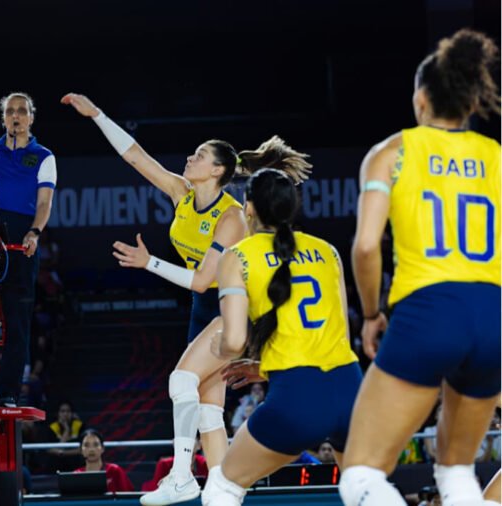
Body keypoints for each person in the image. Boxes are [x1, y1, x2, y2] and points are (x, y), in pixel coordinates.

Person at [62, 91, 313, 506]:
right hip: (204, 311)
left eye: (199, 156)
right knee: (209, 411)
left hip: (234, 307)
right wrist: (97, 115)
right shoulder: (181, 193)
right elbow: (136, 157)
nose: (189, 159)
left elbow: (200, 281)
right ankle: (223, 496)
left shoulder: (232, 217)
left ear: (217, 170)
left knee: (181, 382)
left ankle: (181, 477)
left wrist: (148, 263)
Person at [338, 29, 501, 506]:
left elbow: (366, 248)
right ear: (470, 103)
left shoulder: (391, 153)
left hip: (429, 310)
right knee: (457, 472)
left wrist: (371, 314)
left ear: (420, 99)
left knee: (361, 474)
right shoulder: (496, 157)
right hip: (493, 315)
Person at [198, 168, 361, 505]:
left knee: (223, 486)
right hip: (350, 389)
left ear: (248, 207)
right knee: (364, 490)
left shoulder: (237, 256)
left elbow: (234, 341)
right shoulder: (328, 252)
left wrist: (220, 346)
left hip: (296, 399)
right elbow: (339, 337)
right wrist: (265, 367)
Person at [0, 92, 57, 407]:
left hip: (21, 238)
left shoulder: (44, 156)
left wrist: (35, 232)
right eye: (10, 111)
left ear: (31, 117)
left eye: (21, 111)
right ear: (3, 117)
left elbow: (44, 203)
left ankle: (8, 392)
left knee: (18, 320)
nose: (15, 116)